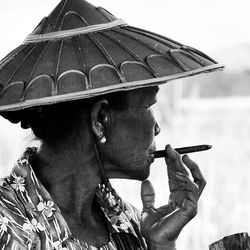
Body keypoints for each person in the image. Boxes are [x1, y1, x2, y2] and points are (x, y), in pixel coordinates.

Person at [0, 0, 223, 249]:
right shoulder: (7, 223)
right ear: (100, 120)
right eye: (147, 107)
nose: (157, 127)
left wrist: (161, 244)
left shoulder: (126, 222)